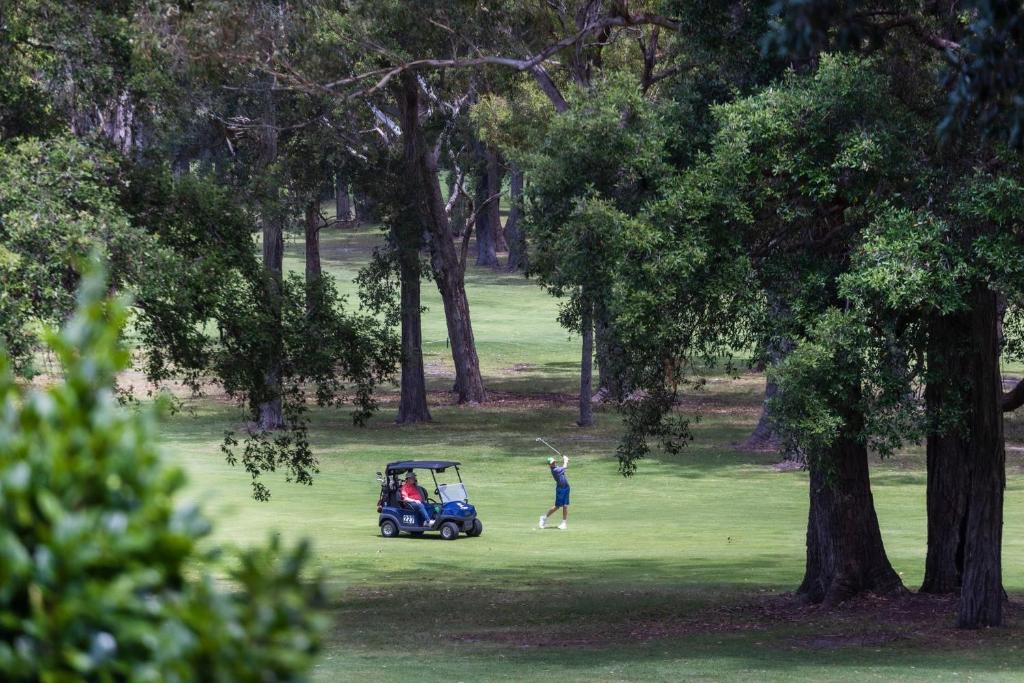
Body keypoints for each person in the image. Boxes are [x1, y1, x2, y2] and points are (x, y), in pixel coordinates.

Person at [539, 454, 570, 530]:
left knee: (565, 506)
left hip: (566, 487)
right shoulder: (555, 470)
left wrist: (566, 460)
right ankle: (544, 517)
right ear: (549, 465)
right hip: (560, 489)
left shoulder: (557, 467)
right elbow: (565, 467)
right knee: (557, 506)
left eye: (554, 462)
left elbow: (563, 467)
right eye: (552, 463)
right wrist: (565, 460)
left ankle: (564, 523)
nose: (554, 463)